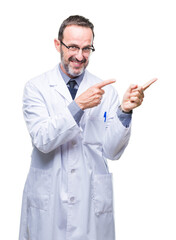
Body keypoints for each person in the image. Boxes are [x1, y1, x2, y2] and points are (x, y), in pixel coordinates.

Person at [19, 15, 157, 240]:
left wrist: (124, 111)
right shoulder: (37, 88)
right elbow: (42, 139)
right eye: (73, 47)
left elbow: (112, 152)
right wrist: (78, 106)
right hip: (49, 202)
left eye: (86, 48)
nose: (80, 56)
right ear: (58, 45)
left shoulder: (106, 91)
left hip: (90, 204)